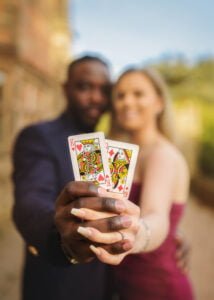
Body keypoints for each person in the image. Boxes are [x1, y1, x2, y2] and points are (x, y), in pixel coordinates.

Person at [12, 56, 189, 300]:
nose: (96, 97)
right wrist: (65, 238)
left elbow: (154, 215)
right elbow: (30, 203)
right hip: (59, 286)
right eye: (84, 87)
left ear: (159, 102)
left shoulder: (114, 150)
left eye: (105, 90)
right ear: (66, 88)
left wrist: (158, 235)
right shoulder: (39, 137)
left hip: (112, 286)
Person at [70, 67, 194, 299]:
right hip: (122, 284)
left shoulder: (162, 155)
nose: (127, 102)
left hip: (157, 285)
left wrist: (137, 235)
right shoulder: (115, 155)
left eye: (138, 94)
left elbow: (156, 215)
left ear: (159, 102)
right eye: (120, 95)